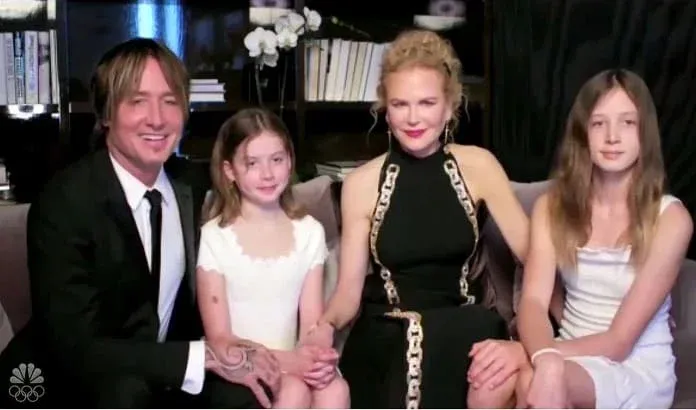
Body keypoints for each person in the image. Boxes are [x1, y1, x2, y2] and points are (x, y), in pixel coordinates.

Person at [8, 38, 281, 408]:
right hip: (64, 381)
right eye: (137, 101)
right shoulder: (63, 203)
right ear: (106, 114)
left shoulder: (195, 185)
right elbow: (76, 347)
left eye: (170, 101)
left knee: (247, 395)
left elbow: (270, 205)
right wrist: (200, 356)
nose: (157, 118)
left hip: (165, 374)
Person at [303, 29, 531, 408]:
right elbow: (348, 294)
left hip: (463, 323)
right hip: (388, 327)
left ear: (449, 106)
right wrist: (325, 326)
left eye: (427, 103)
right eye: (400, 104)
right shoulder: (360, 184)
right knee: (411, 335)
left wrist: (540, 340)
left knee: (465, 334)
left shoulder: (480, 166)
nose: (413, 118)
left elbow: (535, 254)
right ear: (385, 109)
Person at [516, 69, 692, 409]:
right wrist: (542, 354)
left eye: (627, 123)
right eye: (599, 123)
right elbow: (534, 302)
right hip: (568, 356)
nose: (612, 136)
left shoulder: (671, 219)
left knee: (531, 378)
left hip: (635, 367)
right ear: (583, 133)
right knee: (491, 380)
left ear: (644, 133)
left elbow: (619, 342)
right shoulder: (550, 208)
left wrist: (532, 354)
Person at [195, 107, 350, 409]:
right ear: (230, 171)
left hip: (294, 357)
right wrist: (291, 362)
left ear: (290, 161)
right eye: (252, 163)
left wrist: (317, 359)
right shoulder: (215, 236)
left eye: (277, 160)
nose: (267, 174)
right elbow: (221, 339)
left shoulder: (309, 232)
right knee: (293, 391)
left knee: (335, 390)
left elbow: (310, 324)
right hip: (237, 365)